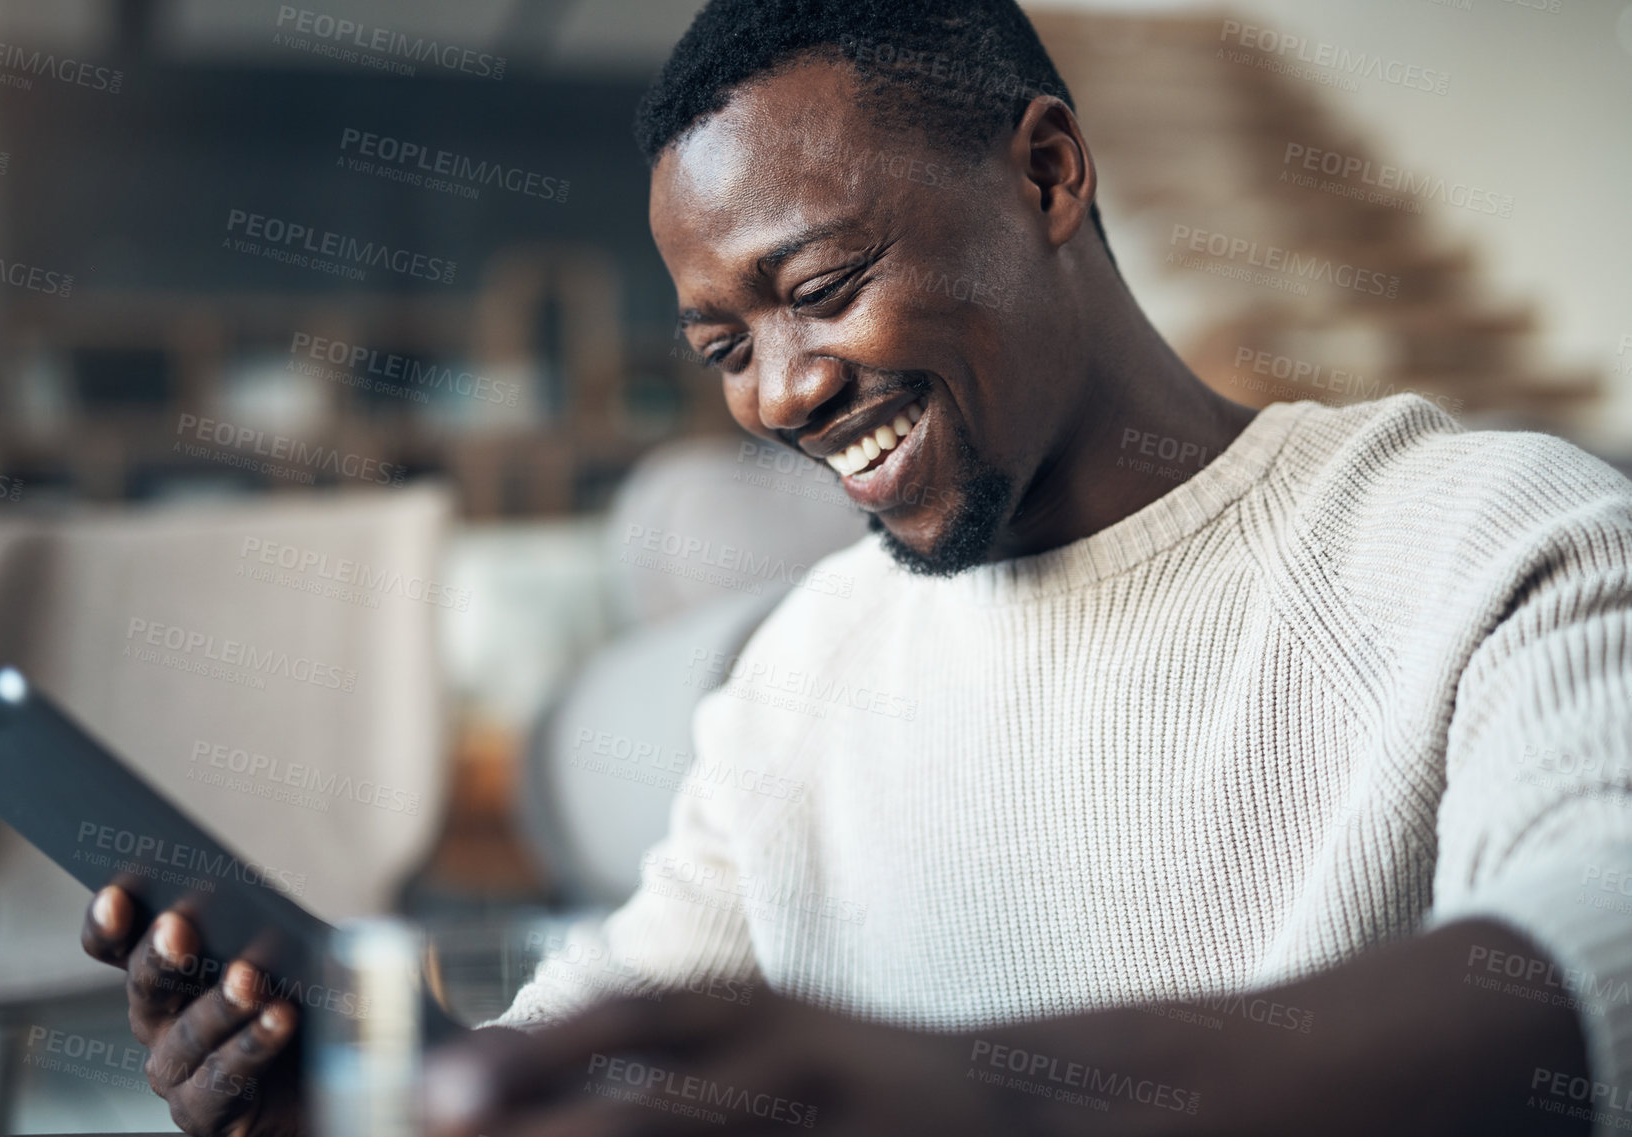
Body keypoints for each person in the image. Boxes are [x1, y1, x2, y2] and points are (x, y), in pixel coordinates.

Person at [82, 1, 1632, 1133]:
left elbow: (1596, 948)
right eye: (720, 345)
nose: (774, 392)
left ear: (1047, 178)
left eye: (818, 288)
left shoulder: (1485, 532)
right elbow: (578, 1042)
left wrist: (991, 1101)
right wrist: (363, 1098)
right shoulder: (798, 671)